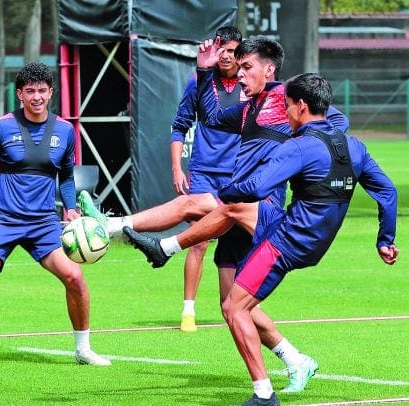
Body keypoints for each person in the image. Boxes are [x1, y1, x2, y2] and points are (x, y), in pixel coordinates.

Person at [79, 36, 347, 393]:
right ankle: (295, 359)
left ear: (268, 69)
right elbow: (212, 116)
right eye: (238, 65)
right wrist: (204, 72)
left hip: (260, 206)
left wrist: (312, 138)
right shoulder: (250, 106)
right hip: (238, 202)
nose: (240, 72)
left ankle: (119, 228)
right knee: (232, 304)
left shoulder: (287, 97)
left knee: (196, 204)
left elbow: (336, 119)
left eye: (246, 65)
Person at [124, 73, 399, 405]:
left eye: (288, 106)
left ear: (301, 106)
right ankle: (165, 247)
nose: (286, 113)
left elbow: (256, 187)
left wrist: (220, 193)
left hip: (288, 241)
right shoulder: (354, 147)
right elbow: (388, 192)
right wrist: (385, 239)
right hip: (312, 238)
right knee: (234, 211)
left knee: (233, 307)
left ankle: (264, 394)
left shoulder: (298, 147)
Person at [0, 62, 111, 372]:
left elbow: (66, 177)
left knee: (75, 277)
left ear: (51, 93)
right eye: (30, 91)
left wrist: (70, 207)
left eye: (42, 91)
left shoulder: (65, 131)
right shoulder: (2, 126)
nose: (36, 97)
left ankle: (83, 349)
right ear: (20, 95)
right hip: (4, 220)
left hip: (44, 225)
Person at [168, 26, 245, 332]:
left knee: (238, 244)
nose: (226, 56)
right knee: (198, 241)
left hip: (238, 176)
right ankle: (188, 311)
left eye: (232, 51)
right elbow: (179, 126)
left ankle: (235, 306)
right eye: (221, 49)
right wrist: (177, 168)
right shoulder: (199, 81)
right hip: (204, 174)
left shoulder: (250, 84)